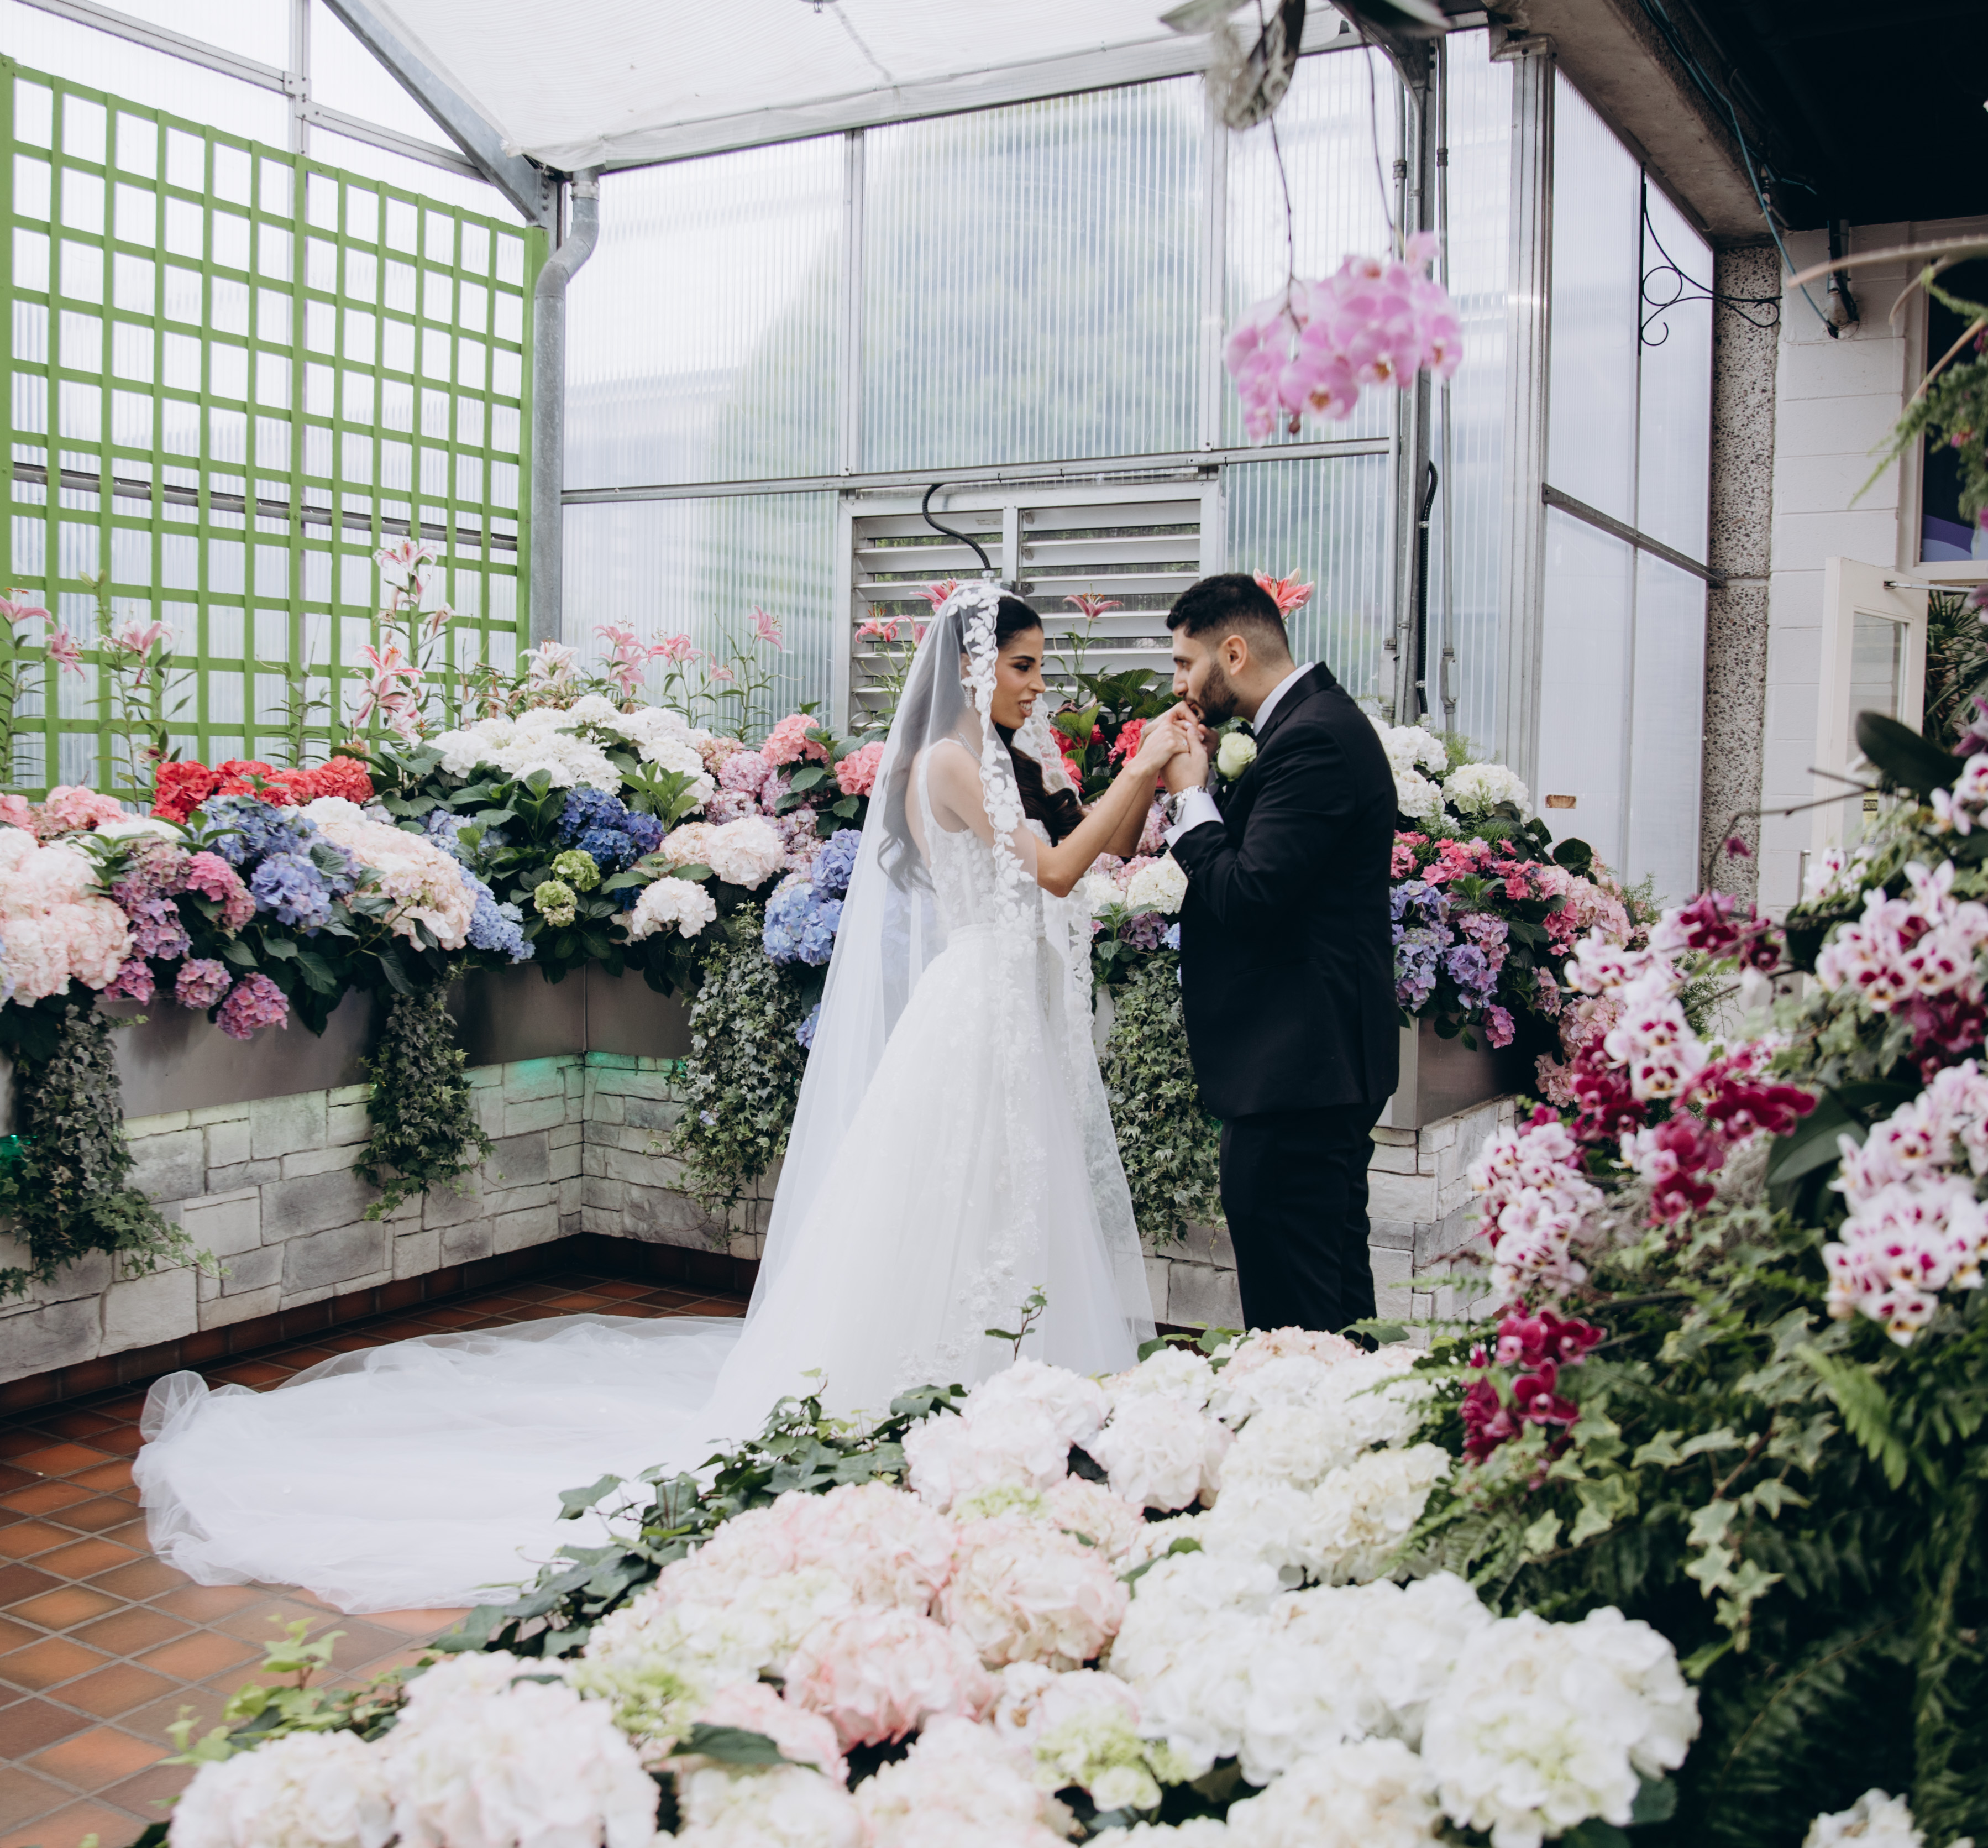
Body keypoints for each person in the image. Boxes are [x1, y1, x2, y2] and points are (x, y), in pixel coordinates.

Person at [131, 583, 1183, 1610]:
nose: (1036, 687)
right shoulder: (949, 761)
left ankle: (1023, 1400)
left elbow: (1083, 855)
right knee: (964, 1200)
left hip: (1007, 1012)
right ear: (970, 666)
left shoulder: (997, 758)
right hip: (978, 1012)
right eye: (1022, 667)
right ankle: (954, 1403)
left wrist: (1143, 782)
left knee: (1010, 1199)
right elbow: (1053, 873)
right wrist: (1139, 768)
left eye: (1037, 669)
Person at [1158, 572, 1400, 1338]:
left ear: (1233, 653)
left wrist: (1192, 798)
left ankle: (1308, 1411)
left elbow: (1250, 895)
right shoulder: (1308, 724)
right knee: (1332, 1303)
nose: (1179, 684)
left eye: (1185, 663)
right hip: (1308, 1068)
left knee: (1294, 1318)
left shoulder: (1314, 738)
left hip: (1300, 1073)